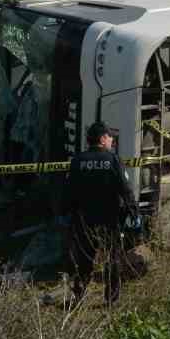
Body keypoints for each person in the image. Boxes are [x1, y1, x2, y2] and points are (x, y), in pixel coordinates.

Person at [65, 122, 137, 305]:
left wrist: (70, 215)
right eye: (109, 136)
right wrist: (133, 211)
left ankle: (78, 296)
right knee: (112, 257)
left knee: (84, 258)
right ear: (102, 138)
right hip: (109, 217)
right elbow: (125, 188)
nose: (112, 139)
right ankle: (111, 300)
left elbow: (69, 190)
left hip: (84, 218)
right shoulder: (112, 160)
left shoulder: (78, 160)